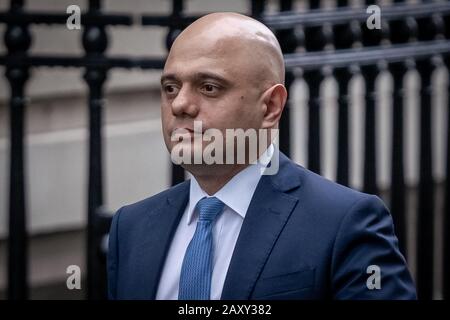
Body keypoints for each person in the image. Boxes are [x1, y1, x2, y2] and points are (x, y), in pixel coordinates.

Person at [107, 12, 416, 300]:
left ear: (270, 107)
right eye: (171, 87)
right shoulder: (131, 228)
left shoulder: (344, 224)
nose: (180, 105)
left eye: (209, 87)